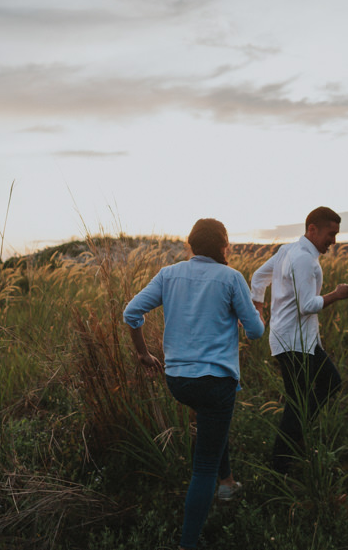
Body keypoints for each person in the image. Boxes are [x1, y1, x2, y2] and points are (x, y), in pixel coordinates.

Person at [123, 218, 265, 550]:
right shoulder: (231, 278)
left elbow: (131, 313)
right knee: (203, 466)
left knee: (213, 424)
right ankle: (188, 543)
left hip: (178, 381)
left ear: (190, 245)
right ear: (223, 246)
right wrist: (258, 313)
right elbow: (255, 332)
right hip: (215, 382)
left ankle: (227, 483)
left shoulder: (168, 274)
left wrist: (144, 354)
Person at [250, 206, 348, 475]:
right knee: (314, 393)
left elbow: (258, 277)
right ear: (312, 229)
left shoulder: (287, 251)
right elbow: (308, 305)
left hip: (297, 340)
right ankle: (280, 465)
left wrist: (258, 310)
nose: (334, 240)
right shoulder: (303, 259)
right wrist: (337, 294)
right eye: (331, 234)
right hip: (291, 342)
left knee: (315, 391)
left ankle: (294, 439)